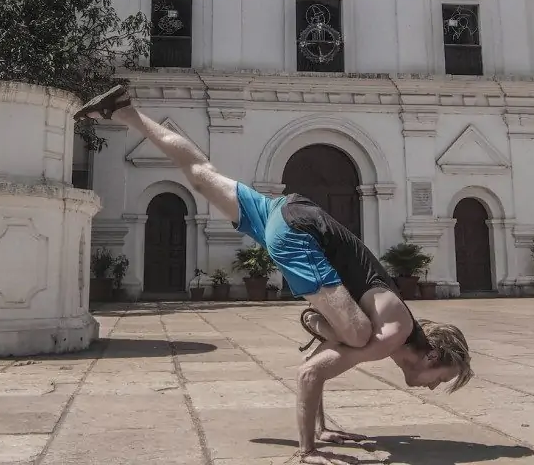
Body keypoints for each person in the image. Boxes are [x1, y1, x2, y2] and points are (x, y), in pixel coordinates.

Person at [79, 86, 473, 464]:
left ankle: (124, 110)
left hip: (286, 212)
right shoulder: (390, 335)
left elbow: (323, 361)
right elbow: (310, 372)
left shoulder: (390, 328)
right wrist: (309, 449)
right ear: (433, 356)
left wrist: (323, 418)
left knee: (200, 172)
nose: (435, 386)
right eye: (441, 377)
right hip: (299, 234)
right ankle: (313, 388)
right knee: (353, 334)